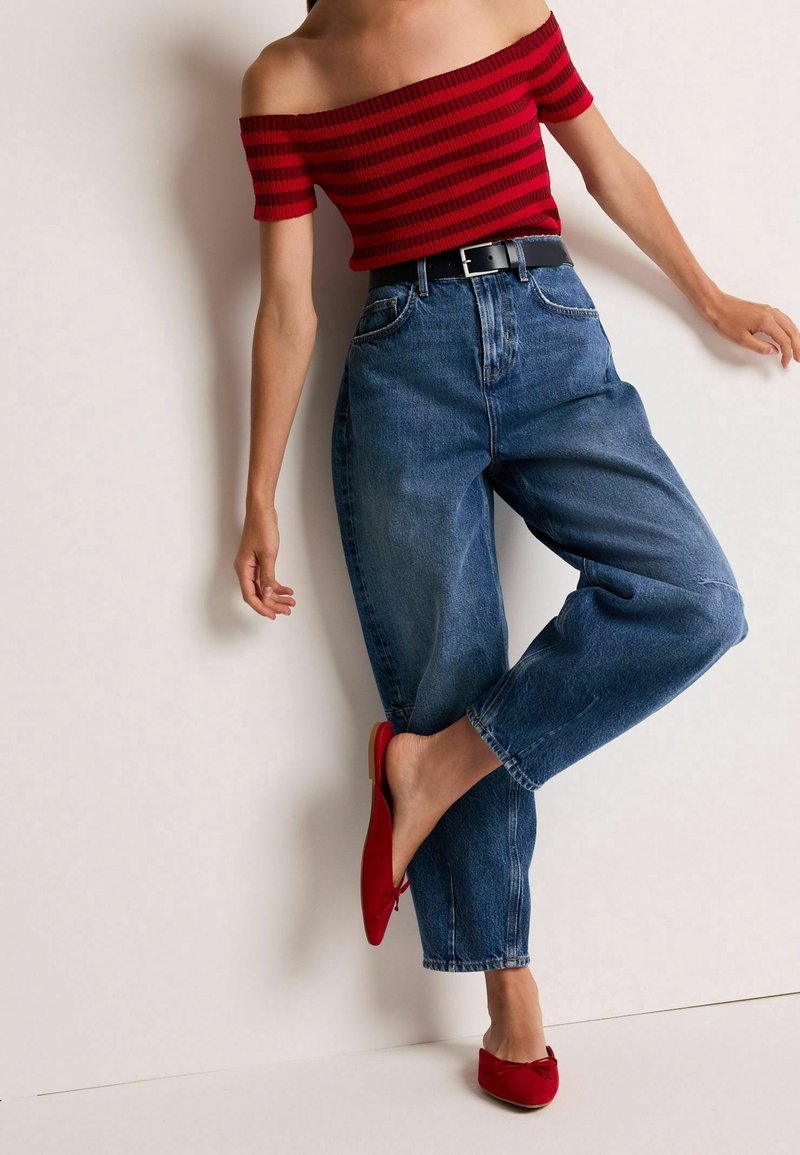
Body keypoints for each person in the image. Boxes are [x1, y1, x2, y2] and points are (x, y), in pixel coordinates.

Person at [235, 0, 799, 1108]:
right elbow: (288, 305)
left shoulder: (502, 6)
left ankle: (429, 767)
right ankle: (506, 992)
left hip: (548, 331)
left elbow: (606, 166)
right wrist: (255, 493)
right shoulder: (283, 79)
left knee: (692, 600)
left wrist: (706, 292)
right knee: (446, 671)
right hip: (403, 372)